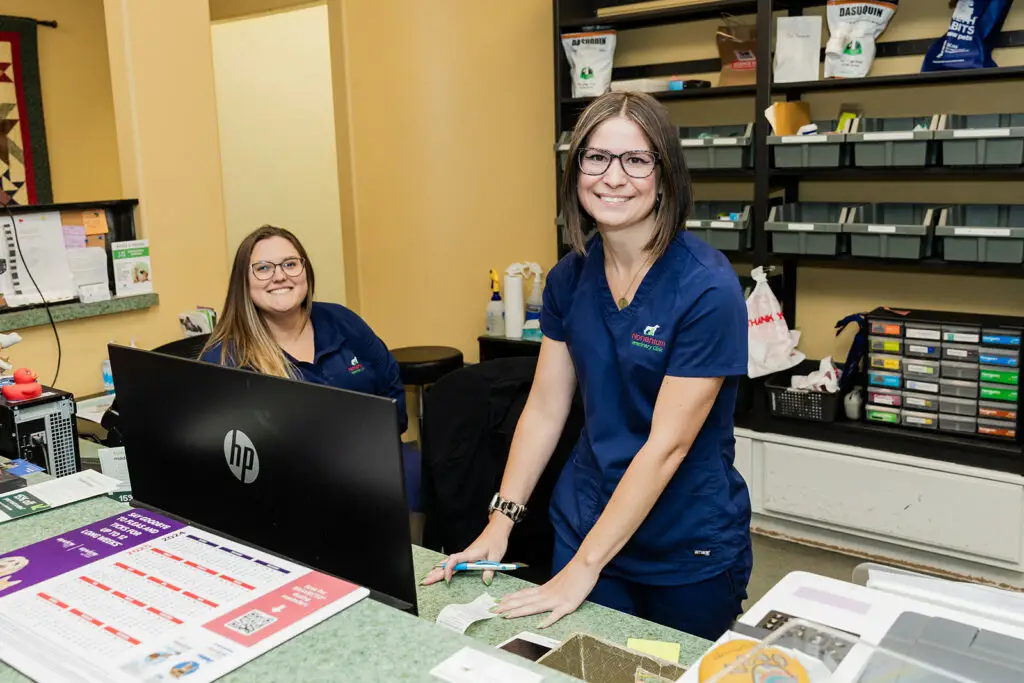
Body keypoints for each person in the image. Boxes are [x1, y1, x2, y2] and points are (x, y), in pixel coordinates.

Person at [423, 91, 752, 640]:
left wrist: (583, 569)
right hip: (586, 520)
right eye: (595, 157)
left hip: (681, 541)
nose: (613, 177)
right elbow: (546, 409)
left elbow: (665, 447)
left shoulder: (707, 288)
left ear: (665, 174)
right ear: (576, 171)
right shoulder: (568, 279)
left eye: (636, 159)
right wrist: (500, 522)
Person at [200, 225, 408, 435]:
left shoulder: (343, 320)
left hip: (377, 457)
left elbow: (391, 390)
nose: (280, 276)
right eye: (263, 268)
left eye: (290, 264)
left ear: (305, 271)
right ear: (242, 282)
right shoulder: (226, 359)